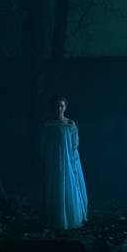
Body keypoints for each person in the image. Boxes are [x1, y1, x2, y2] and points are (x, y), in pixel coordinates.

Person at [40, 95, 88, 230]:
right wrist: (44, 159)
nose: (59, 108)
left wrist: (73, 162)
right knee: (55, 186)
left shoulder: (70, 124)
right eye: (56, 106)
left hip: (68, 160)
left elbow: (74, 144)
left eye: (61, 106)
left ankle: (69, 217)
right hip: (53, 160)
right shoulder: (48, 125)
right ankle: (54, 217)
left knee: (68, 184)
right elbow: (44, 144)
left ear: (65, 107)